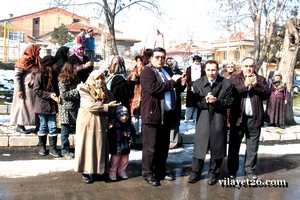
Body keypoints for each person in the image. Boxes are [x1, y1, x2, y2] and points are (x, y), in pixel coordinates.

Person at [140, 47, 186, 186]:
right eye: (157, 57)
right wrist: (172, 81)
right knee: (150, 147)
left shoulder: (167, 70)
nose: (160, 60)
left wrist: (181, 84)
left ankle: (160, 170)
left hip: (167, 115)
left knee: (163, 146)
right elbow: (154, 88)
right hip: (152, 114)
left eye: (162, 57)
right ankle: (148, 173)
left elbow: (173, 89)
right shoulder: (147, 72)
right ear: (151, 58)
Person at [187, 60, 234, 185]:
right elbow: (193, 101)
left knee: (217, 146)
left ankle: (213, 173)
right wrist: (205, 101)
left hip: (219, 117)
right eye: (208, 70)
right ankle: (195, 173)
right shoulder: (198, 83)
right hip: (203, 116)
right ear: (205, 70)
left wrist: (217, 101)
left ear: (217, 69)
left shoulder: (226, 83)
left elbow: (230, 101)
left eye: (213, 70)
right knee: (200, 146)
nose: (211, 73)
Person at [227, 57, 271, 180]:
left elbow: (267, 94)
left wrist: (256, 85)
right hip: (238, 118)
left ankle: (249, 170)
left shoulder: (260, 79)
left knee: (252, 147)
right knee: (234, 147)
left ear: (254, 67)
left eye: (251, 66)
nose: (248, 68)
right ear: (242, 67)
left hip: (254, 118)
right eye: (246, 66)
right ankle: (232, 171)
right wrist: (245, 85)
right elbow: (231, 93)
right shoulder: (235, 78)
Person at [74, 70, 121, 184]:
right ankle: (85, 171)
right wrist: (106, 106)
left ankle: (98, 170)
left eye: (101, 78)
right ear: (92, 79)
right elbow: (90, 105)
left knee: (99, 146)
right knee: (87, 146)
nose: (100, 81)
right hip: (88, 122)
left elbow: (112, 104)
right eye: (97, 78)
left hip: (101, 121)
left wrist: (112, 119)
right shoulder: (84, 89)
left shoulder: (105, 90)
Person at [10, 44, 41, 134]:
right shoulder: (24, 60)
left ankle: (37, 125)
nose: (39, 53)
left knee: (35, 107)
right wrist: (19, 90)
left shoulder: (36, 60)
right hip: (25, 89)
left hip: (33, 88)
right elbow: (17, 76)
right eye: (37, 51)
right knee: (23, 107)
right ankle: (20, 126)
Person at [33, 55, 60, 158]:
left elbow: (56, 88)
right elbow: (36, 90)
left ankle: (53, 148)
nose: (56, 65)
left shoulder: (54, 74)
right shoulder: (40, 75)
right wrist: (49, 95)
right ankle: (42, 147)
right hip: (42, 105)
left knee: (53, 127)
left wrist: (57, 94)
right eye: (54, 64)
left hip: (52, 105)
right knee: (43, 126)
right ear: (49, 65)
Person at [58, 62, 81, 159]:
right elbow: (64, 95)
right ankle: (65, 150)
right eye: (74, 68)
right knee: (65, 131)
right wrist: (77, 91)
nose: (76, 70)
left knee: (78, 130)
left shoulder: (75, 79)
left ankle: (79, 149)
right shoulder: (63, 80)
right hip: (66, 110)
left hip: (75, 108)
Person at [108, 106, 136, 181]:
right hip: (116, 146)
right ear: (117, 116)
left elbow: (133, 135)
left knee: (124, 160)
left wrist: (131, 141)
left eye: (126, 115)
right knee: (115, 160)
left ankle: (122, 171)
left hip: (126, 146)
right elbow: (110, 135)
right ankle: (112, 172)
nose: (124, 117)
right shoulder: (115, 125)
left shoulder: (130, 125)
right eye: (122, 115)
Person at [165, 57, 185, 149]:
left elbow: (180, 89)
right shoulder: (164, 71)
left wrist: (183, 84)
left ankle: (173, 142)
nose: (170, 64)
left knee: (175, 122)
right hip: (166, 99)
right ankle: (166, 141)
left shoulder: (179, 73)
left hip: (176, 100)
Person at [184, 55, 206, 123]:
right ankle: (186, 119)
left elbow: (204, 78)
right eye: (196, 61)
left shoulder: (202, 69)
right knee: (189, 106)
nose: (197, 62)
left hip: (200, 89)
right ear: (193, 61)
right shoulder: (189, 69)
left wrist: (200, 84)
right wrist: (193, 83)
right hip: (191, 89)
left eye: (198, 61)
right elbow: (187, 79)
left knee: (197, 105)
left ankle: (195, 118)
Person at [128, 55, 145, 134]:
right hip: (135, 95)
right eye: (137, 61)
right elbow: (130, 80)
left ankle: (144, 132)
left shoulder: (146, 70)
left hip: (144, 95)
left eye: (140, 61)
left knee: (144, 114)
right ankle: (136, 131)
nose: (138, 63)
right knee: (135, 114)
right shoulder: (134, 71)